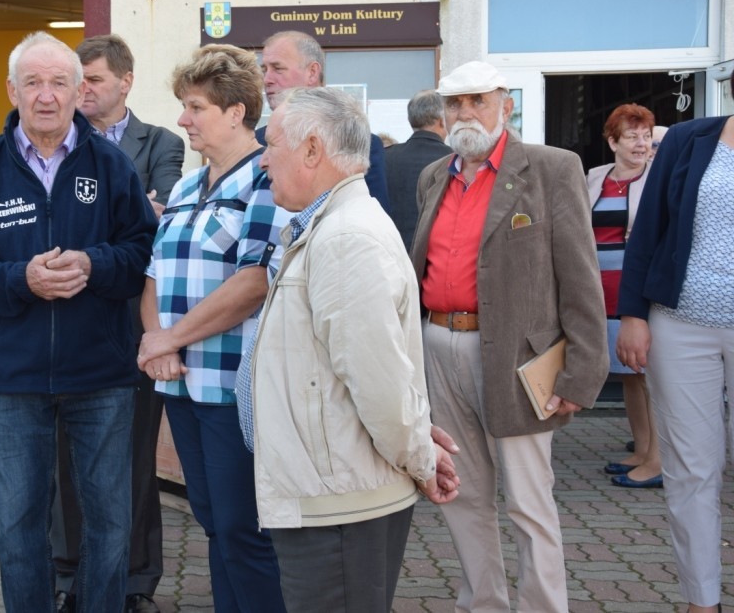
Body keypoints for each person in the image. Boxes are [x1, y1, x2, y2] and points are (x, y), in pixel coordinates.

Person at [0, 31, 157, 613]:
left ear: (79, 91)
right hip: (13, 378)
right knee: (18, 525)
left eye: (59, 82)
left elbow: (142, 251)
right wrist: (20, 280)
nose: (46, 95)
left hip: (101, 375)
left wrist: (93, 264)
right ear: (12, 91)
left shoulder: (111, 166)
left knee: (110, 520)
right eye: (32, 82)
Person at [249, 86, 460, 612]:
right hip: (334, 493)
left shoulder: (345, 238)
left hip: (340, 504)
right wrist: (418, 443)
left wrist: (420, 456)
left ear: (312, 150)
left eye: (271, 143)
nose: (263, 159)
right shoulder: (333, 227)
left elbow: (378, 381)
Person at [410, 61, 609, 613]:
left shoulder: (551, 168)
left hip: (521, 361)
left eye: (478, 100)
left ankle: (543, 606)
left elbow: (580, 275)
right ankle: (484, 604)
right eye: (455, 103)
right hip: (437, 346)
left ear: (506, 105)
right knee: (462, 494)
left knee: (528, 499)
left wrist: (582, 371)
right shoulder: (433, 176)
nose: (465, 113)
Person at [137, 44, 289, 613]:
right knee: (211, 519)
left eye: (195, 107)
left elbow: (254, 282)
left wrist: (168, 340)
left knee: (242, 526)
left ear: (236, 112)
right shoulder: (183, 188)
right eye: (184, 106)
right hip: (180, 381)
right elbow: (153, 274)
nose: (183, 119)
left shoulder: (266, 180)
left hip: (232, 386)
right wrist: (157, 344)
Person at [51, 34, 185, 613]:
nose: (82, 91)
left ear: (126, 82)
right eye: (77, 80)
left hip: (134, 323)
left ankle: (134, 581)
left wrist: (99, 225)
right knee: (65, 458)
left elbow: (161, 219)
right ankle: (68, 575)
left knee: (133, 458)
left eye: (95, 80)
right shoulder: (55, 143)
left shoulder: (161, 143)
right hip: (66, 322)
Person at [616, 79, 734, 613]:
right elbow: (648, 232)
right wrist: (633, 314)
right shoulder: (689, 139)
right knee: (691, 470)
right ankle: (701, 601)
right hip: (680, 325)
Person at [586, 104, 662, 489]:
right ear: (613, 142)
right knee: (629, 373)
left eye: (646, 136)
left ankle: (658, 460)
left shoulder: (659, 176)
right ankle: (642, 449)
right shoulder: (595, 177)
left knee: (651, 375)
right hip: (601, 289)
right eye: (632, 136)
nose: (641, 143)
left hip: (639, 291)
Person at [258, 30, 392, 217]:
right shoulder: (255, 142)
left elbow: (370, 218)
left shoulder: (359, 143)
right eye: (264, 70)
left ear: (312, 72)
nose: (267, 80)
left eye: (277, 68)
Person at [383, 89, 450, 248]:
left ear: (410, 120)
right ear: (442, 120)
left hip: (391, 252)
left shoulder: (385, 157)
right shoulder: (455, 161)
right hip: (433, 254)